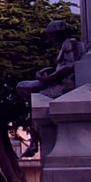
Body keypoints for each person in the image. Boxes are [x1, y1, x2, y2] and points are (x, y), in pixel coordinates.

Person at [16, 20, 83, 157]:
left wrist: (49, 78)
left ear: (59, 33)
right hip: (58, 81)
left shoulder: (69, 43)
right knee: (23, 87)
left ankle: (34, 141)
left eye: (52, 35)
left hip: (64, 85)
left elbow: (70, 66)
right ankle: (34, 139)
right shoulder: (66, 44)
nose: (50, 38)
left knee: (26, 90)